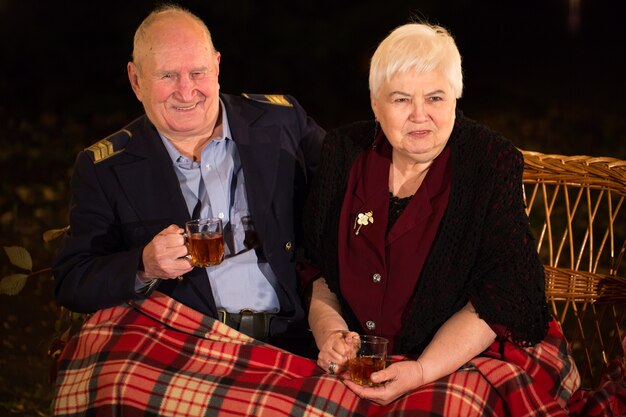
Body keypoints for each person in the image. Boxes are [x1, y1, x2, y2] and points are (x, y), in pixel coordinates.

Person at [302, 23, 582, 415]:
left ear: (456, 98)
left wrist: (420, 371)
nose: (420, 116)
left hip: (469, 356)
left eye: (435, 97)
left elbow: (501, 297)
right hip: (361, 365)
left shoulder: (488, 162)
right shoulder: (343, 152)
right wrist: (329, 334)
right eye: (400, 99)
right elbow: (317, 272)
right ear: (374, 103)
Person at [53, 5, 323, 362]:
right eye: (167, 76)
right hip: (182, 351)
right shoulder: (105, 167)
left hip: (295, 341)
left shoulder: (282, 121)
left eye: (197, 72)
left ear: (217, 66)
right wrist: (144, 264)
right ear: (136, 80)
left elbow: (354, 186)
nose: (186, 91)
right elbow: (72, 280)